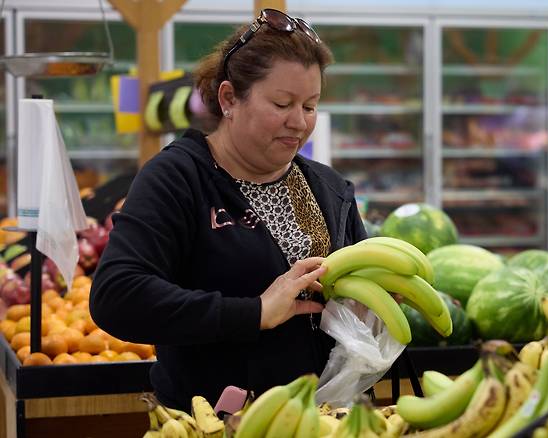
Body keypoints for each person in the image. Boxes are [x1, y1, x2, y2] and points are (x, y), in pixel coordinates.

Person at [89, 9, 367, 412]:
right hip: (212, 420)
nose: (298, 122)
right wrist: (252, 312)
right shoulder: (178, 178)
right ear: (228, 98)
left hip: (323, 417)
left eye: (309, 106)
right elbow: (117, 296)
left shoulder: (327, 187)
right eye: (282, 103)